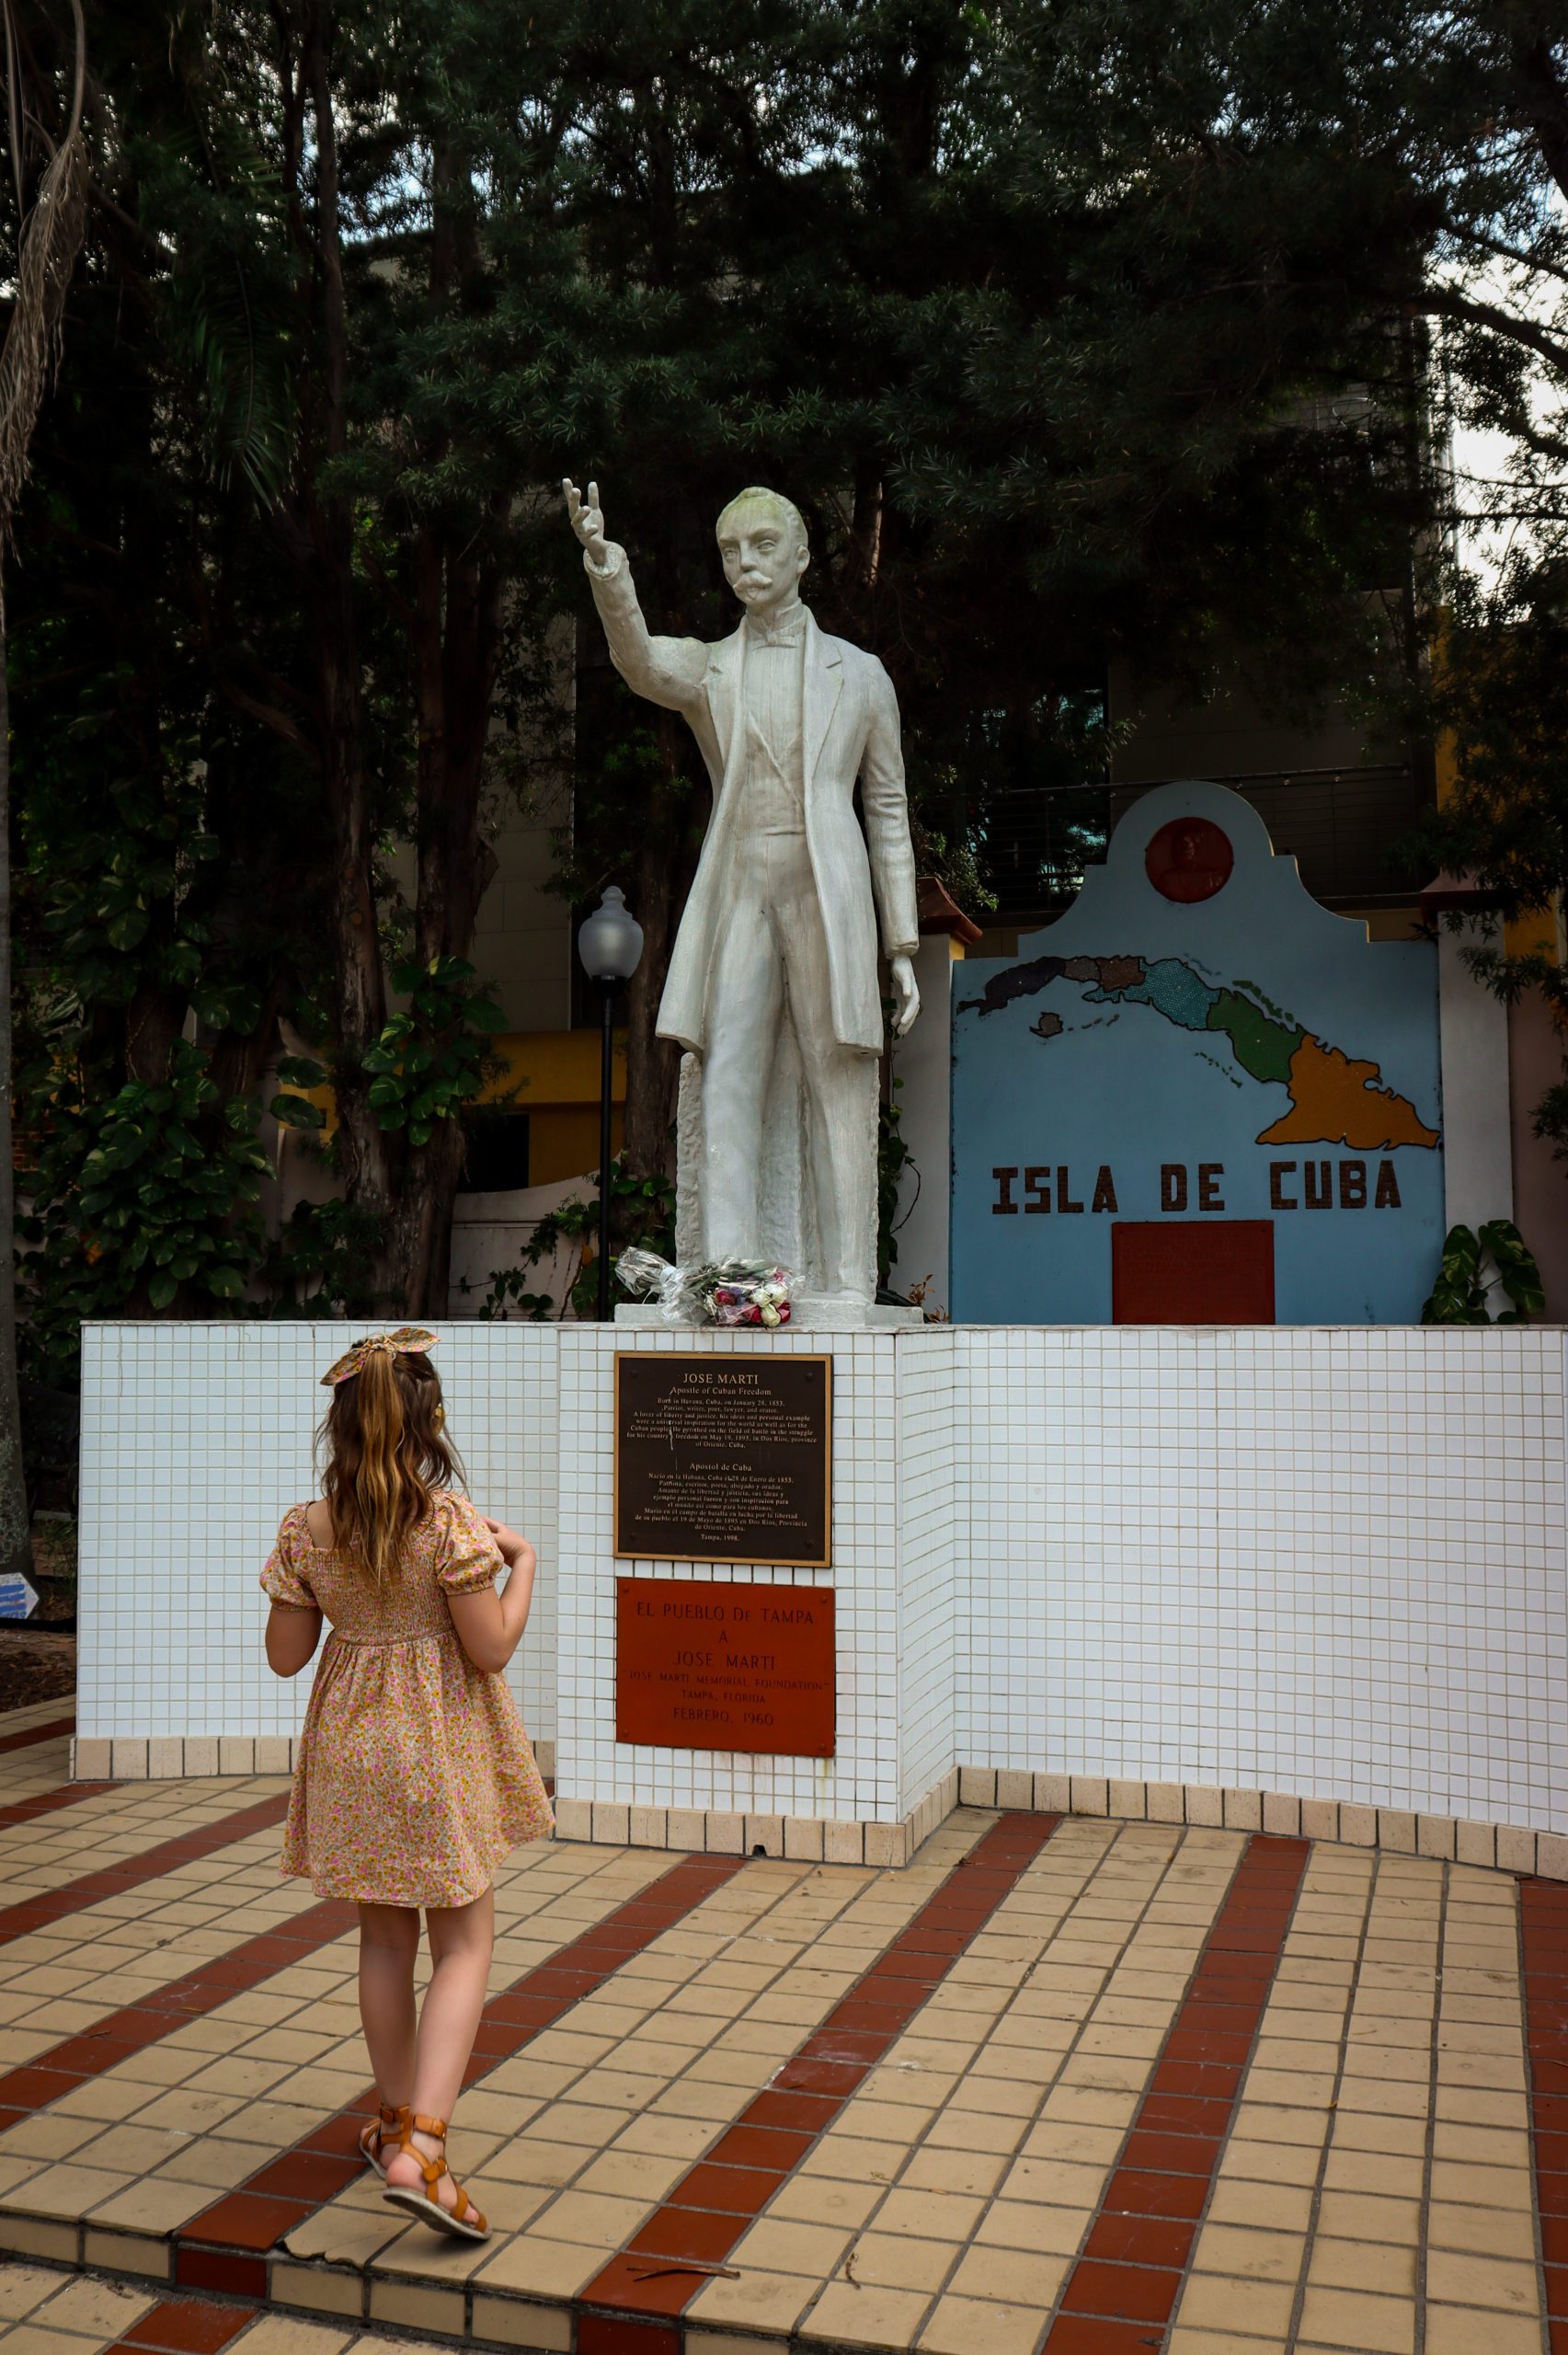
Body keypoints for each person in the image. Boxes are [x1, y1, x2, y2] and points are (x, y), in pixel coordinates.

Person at [563, 476, 921, 1303]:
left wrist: (900, 946)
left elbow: (888, 810)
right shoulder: (710, 667)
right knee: (727, 1072)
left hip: (826, 892)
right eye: (730, 551)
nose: (746, 564)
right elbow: (642, 660)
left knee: (839, 1076)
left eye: (763, 546)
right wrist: (606, 566)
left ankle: (846, 1279)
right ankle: (732, 1280)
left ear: (800, 555)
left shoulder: (860, 675)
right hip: (740, 890)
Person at [261, 1326, 552, 2241]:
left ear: (340, 1427)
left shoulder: (307, 1527)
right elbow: (491, 1648)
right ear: (428, 1423)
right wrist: (526, 1563)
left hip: (350, 1751)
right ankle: (423, 2150)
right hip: (435, 1751)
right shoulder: (454, 1525)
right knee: (463, 1941)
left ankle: (392, 2121)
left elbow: (283, 1658)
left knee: (382, 1943)